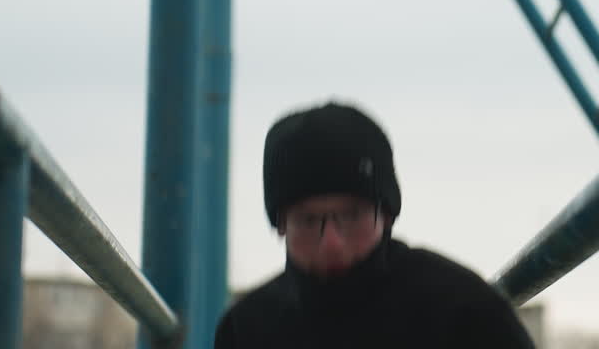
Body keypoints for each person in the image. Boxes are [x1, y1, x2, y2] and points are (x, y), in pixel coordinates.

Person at [214, 101, 536, 348]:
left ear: (387, 215)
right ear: (280, 224)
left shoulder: (466, 313)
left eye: (352, 217)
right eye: (309, 221)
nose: (332, 243)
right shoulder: (246, 330)